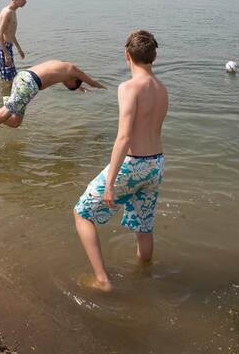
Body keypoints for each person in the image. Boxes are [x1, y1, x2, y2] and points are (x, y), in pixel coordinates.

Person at [73, 30, 168, 292]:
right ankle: (145, 276)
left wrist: (112, 182)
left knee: (82, 213)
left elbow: (125, 136)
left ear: (127, 55)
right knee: (144, 224)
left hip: (134, 164)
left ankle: (102, 279)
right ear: (154, 56)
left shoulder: (128, 88)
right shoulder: (162, 89)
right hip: (156, 163)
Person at [0, 60, 105, 149]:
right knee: (4, 115)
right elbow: (85, 77)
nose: (67, 86)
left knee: (15, 121)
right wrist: (97, 85)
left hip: (22, 77)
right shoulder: (72, 69)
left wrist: (78, 87)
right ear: (74, 79)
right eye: (70, 86)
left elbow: (60, 75)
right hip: (29, 84)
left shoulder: (62, 67)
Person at [0, 0, 28, 82]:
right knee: (8, 81)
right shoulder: (7, 12)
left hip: (8, 48)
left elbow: (11, 34)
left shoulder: (13, 12)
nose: (25, 1)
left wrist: (19, 49)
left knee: (12, 78)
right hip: (3, 49)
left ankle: (6, 96)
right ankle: (4, 96)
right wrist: (6, 54)